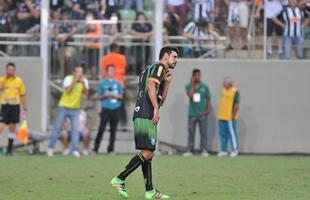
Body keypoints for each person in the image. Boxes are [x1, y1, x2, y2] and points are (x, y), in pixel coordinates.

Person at [110, 46, 179, 199]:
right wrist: (155, 109)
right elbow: (150, 86)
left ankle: (150, 191)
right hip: (146, 113)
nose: (177, 60)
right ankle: (119, 178)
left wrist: (166, 84)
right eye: (174, 56)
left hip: (141, 112)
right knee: (147, 152)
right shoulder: (160, 66)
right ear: (166, 56)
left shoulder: (151, 68)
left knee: (148, 153)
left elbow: (160, 100)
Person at [47, 65, 89, 157]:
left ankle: (75, 149)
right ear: (73, 72)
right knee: (57, 128)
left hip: (75, 108)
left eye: (81, 72)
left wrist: (83, 83)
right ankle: (50, 148)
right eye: (78, 72)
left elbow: (86, 94)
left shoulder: (84, 81)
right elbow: (68, 90)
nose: (80, 74)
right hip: (64, 107)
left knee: (75, 129)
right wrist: (75, 80)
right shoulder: (68, 79)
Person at [93, 65, 124, 154]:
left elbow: (121, 96)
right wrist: (105, 95)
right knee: (101, 129)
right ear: (106, 72)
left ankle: (110, 149)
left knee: (113, 130)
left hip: (116, 108)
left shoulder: (118, 83)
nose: (111, 72)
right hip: (105, 108)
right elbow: (99, 97)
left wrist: (115, 95)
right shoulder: (102, 83)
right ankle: (95, 149)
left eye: (113, 70)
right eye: (110, 70)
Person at [0, 62, 27, 156]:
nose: (10, 71)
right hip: (5, 106)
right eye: (8, 69)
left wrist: (24, 108)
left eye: (11, 70)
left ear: (14, 71)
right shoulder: (2, 79)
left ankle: (9, 150)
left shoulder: (19, 80)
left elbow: (22, 95)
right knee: (1, 127)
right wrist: (4, 79)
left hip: (15, 106)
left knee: (12, 128)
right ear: (6, 70)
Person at [183, 69, 211, 157]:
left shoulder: (204, 87)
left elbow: (208, 99)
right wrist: (192, 83)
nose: (198, 77)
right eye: (196, 75)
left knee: (203, 133)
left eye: (199, 75)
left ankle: (204, 149)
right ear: (193, 76)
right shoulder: (188, 86)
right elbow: (191, 95)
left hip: (202, 114)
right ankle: (189, 150)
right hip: (192, 114)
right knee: (191, 133)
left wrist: (208, 110)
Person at [217, 77, 240, 158]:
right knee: (222, 134)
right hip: (222, 116)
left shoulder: (235, 91)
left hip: (230, 117)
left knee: (232, 134)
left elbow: (236, 105)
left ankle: (235, 150)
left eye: (224, 83)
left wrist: (233, 115)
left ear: (229, 83)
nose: (223, 84)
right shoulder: (223, 90)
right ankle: (223, 150)